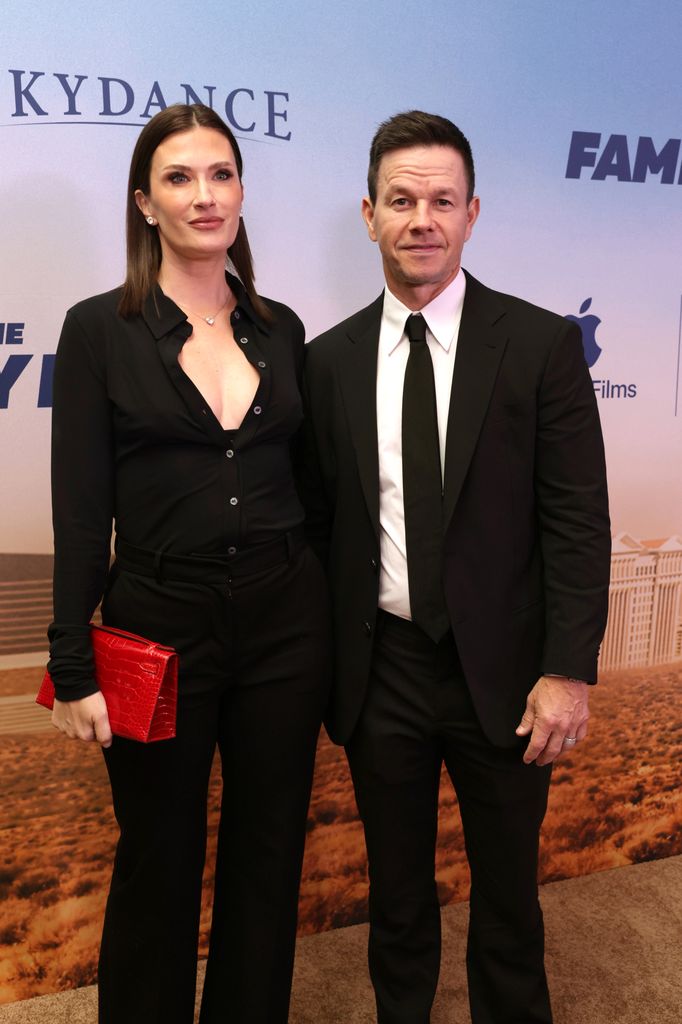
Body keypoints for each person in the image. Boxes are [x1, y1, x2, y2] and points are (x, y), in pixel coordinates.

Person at [300, 111, 610, 1024]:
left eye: (441, 200)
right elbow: (319, 529)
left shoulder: (542, 344)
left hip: (512, 679)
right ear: (369, 215)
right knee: (397, 905)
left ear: (473, 213)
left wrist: (568, 671)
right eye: (402, 200)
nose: (421, 219)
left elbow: (577, 521)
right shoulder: (326, 363)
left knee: (509, 903)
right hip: (383, 673)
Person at [47, 102, 330, 1024]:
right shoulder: (98, 330)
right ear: (144, 203)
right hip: (158, 622)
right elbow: (82, 511)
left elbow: (317, 490)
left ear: (242, 192)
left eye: (220, 175)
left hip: (287, 621)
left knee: (268, 853)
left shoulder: (280, 328)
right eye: (179, 178)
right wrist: (69, 658)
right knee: (159, 858)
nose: (203, 196)